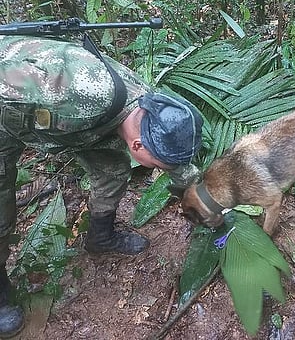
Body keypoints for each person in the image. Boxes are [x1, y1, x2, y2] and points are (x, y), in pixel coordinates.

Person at [0, 34, 203, 338]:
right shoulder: (75, 99)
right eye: (159, 166)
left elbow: (176, 161)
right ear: (138, 144)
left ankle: (101, 237)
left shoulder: (150, 107)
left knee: (112, 170)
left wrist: (207, 202)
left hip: (75, 124)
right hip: (9, 106)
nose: (162, 171)